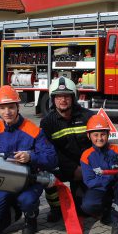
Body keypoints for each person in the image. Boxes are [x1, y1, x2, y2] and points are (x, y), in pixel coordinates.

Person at [0, 85, 57, 234]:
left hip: (29, 182)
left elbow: (52, 159)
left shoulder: (33, 130)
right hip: (4, 184)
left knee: (26, 200)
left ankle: (31, 216)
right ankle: (14, 213)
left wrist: (30, 157)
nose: (7, 112)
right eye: (2, 108)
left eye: (11, 107)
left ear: (18, 107)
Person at [40, 77, 96, 222]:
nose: (62, 100)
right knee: (46, 175)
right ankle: (56, 209)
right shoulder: (47, 122)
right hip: (63, 167)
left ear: (73, 97)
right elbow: (50, 152)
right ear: (53, 99)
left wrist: (86, 167)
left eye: (66, 96)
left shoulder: (88, 117)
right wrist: (73, 169)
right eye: (58, 96)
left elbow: (98, 145)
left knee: (85, 210)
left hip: (86, 167)